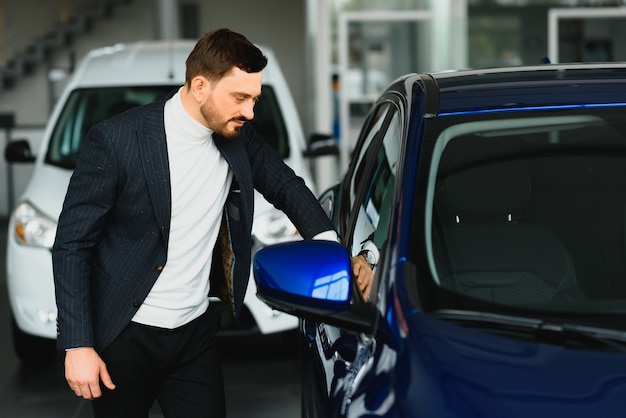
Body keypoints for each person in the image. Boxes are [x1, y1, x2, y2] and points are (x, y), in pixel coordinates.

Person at [52, 28, 373, 418]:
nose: (250, 112)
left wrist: (332, 250)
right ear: (200, 86)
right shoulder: (117, 140)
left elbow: (286, 186)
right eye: (240, 98)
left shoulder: (238, 135)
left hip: (193, 334)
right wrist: (77, 346)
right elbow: (72, 244)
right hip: (124, 335)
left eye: (254, 99)